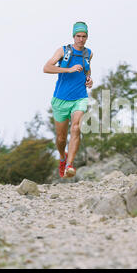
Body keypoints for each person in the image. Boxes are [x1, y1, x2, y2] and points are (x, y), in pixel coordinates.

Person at [43, 21, 93, 178]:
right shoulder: (63, 51)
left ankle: (70, 165)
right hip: (61, 99)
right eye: (78, 36)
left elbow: (87, 69)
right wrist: (68, 69)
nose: (81, 39)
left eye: (84, 36)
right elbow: (46, 68)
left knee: (76, 128)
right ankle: (62, 157)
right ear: (73, 36)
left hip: (80, 97)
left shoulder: (88, 53)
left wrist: (89, 79)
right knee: (61, 138)